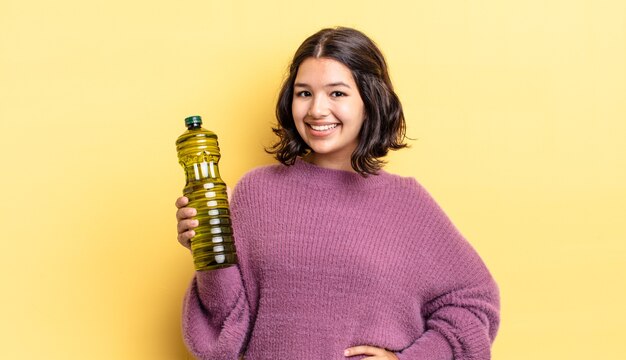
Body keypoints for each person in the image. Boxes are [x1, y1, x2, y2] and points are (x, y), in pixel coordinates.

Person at [175, 27, 500, 360]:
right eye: (304, 93)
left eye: (337, 94)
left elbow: (473, 303)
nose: (316, 109)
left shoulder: (406, 203)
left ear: (369, 101)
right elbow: (227, 326)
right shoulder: (256, 192)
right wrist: (209, 254)